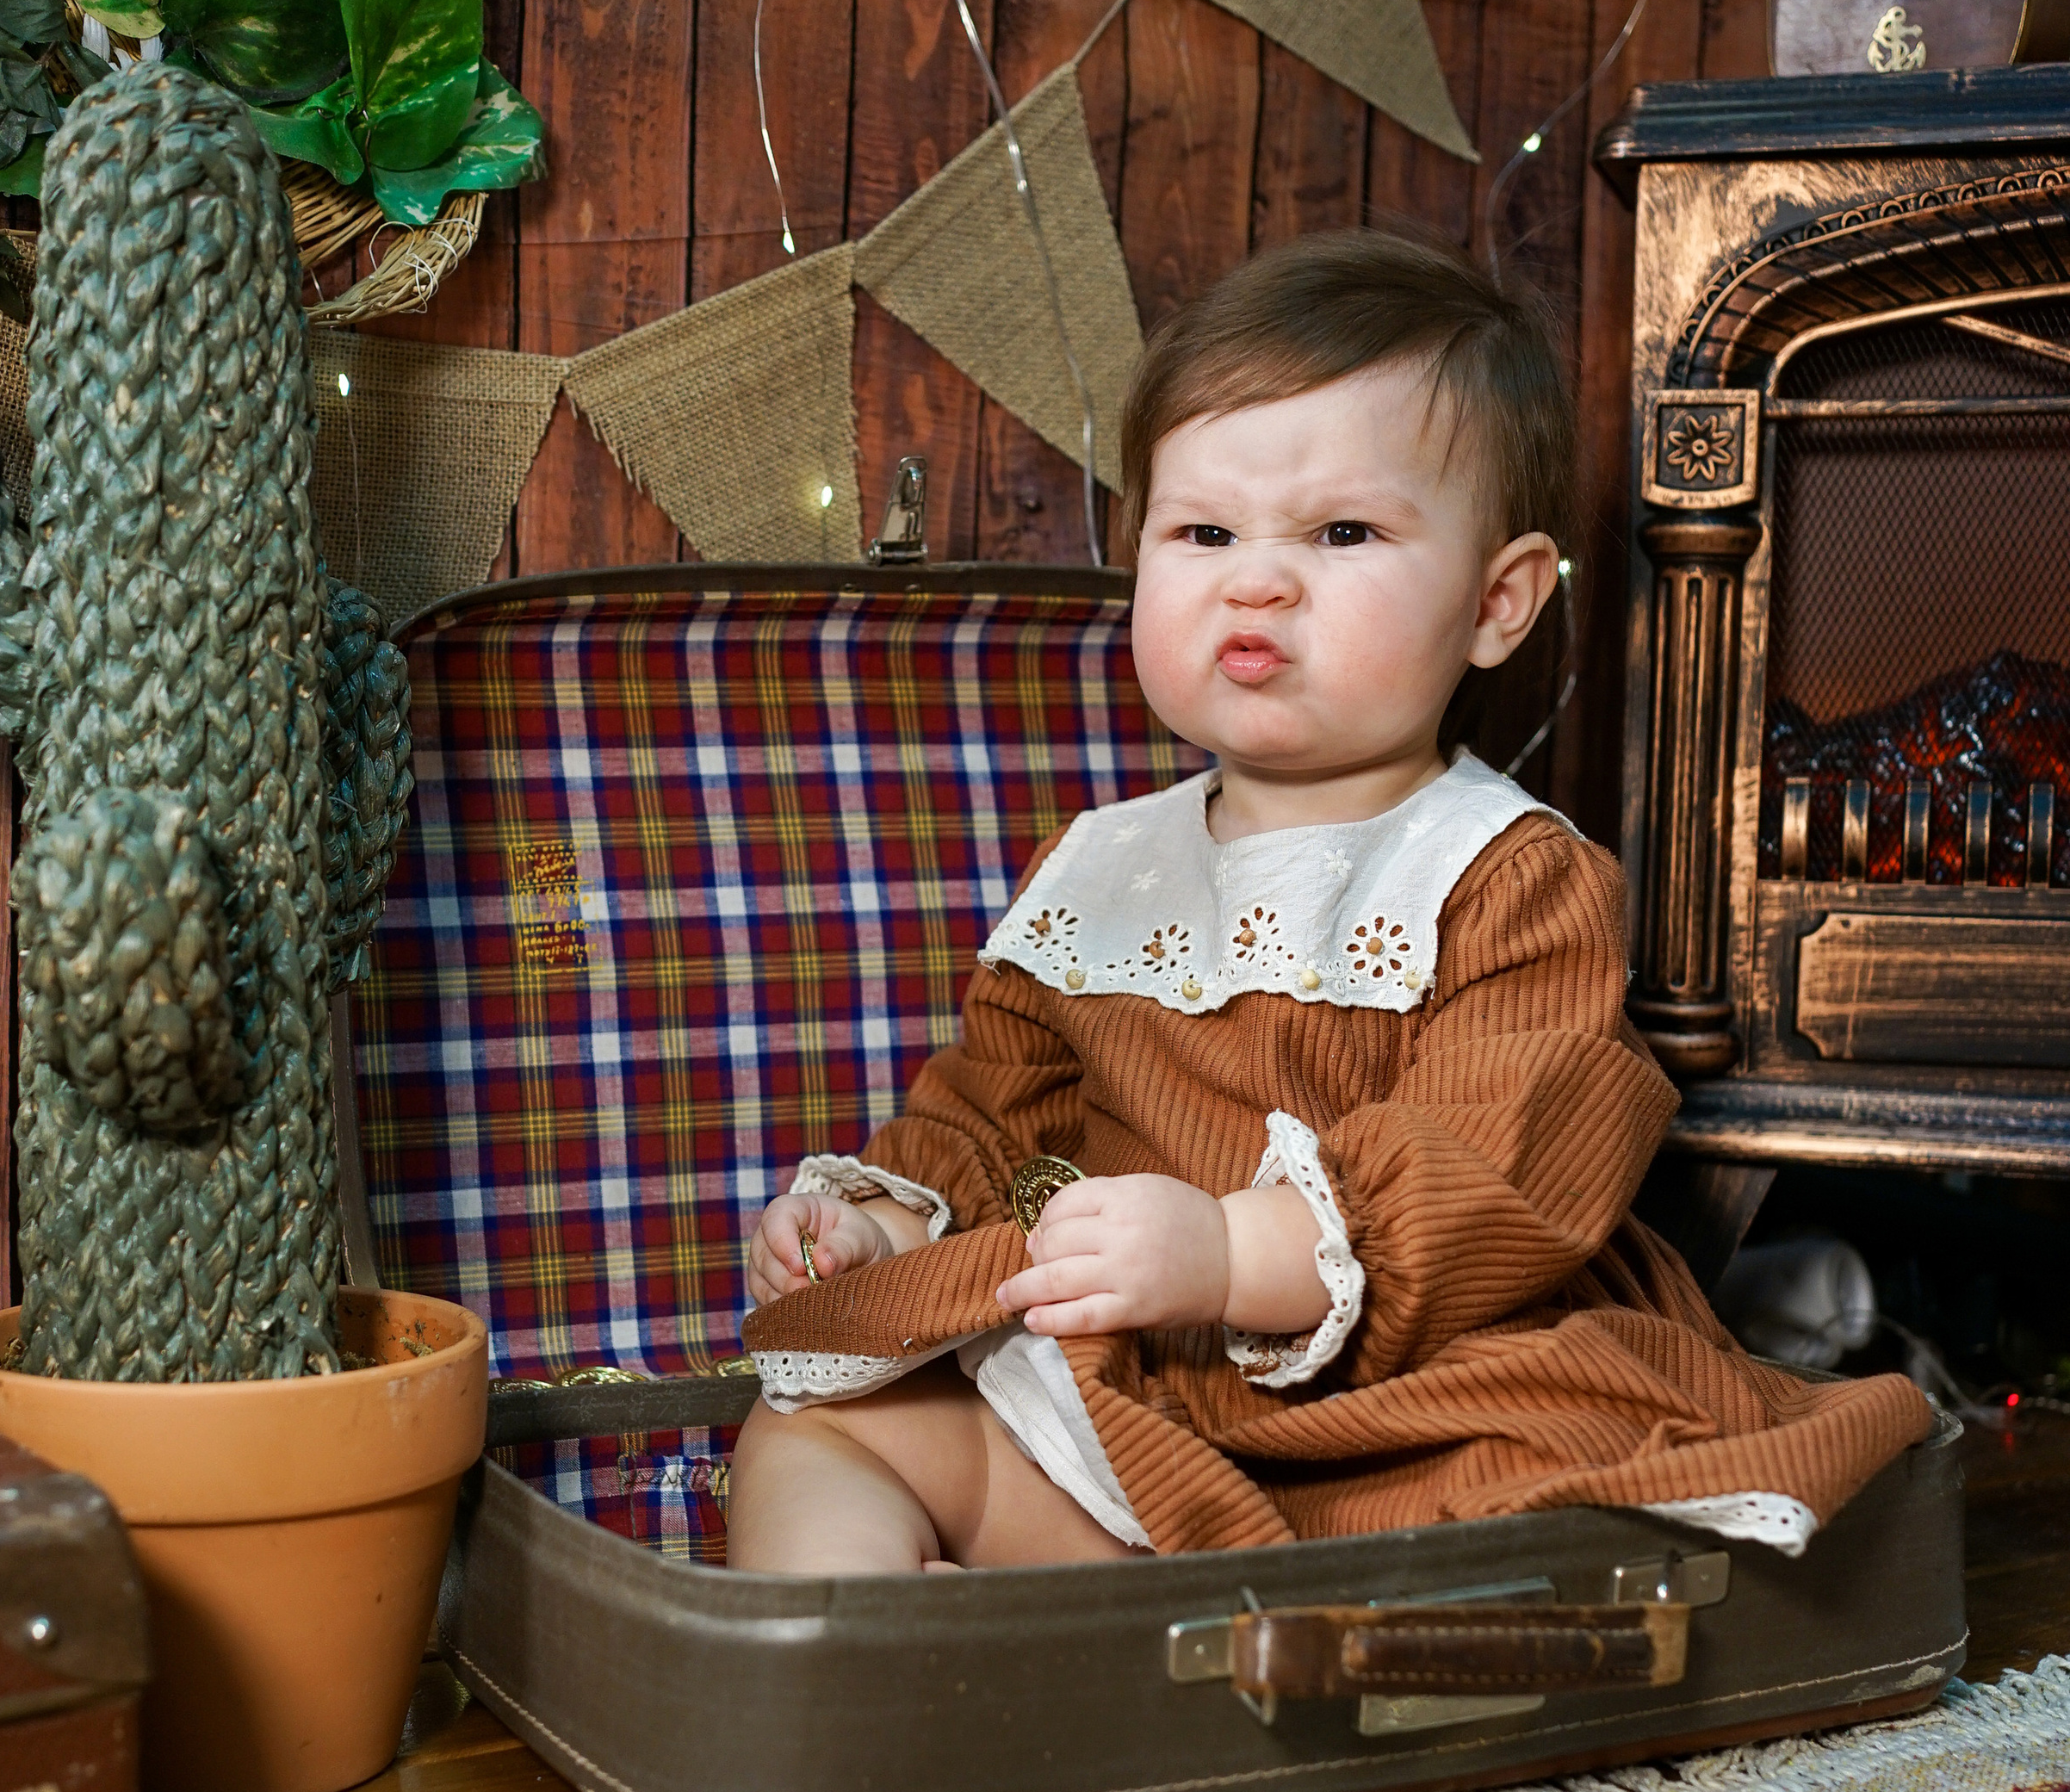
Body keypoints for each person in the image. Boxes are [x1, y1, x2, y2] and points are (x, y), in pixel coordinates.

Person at [724, 232, 1931, 1575]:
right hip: (1131, 1403)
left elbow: (1503, 1166)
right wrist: (885, 1223)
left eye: (1341, 533)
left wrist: (1238, 1252)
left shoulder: (1509, 876)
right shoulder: (1101, 869)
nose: (1256, 579)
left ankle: (1200, 1659)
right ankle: (875, 1666)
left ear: (1498, 600)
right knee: (816, 1426)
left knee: (1545, 1490)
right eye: (1201, 533)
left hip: (1400, 1415)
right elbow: (989, 1117)